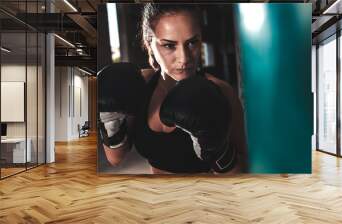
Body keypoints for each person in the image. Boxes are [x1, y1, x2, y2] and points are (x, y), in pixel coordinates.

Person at [98, 3, 248, 174]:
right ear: (149, 45)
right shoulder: (141, 84)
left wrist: (219, 150)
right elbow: (115, 158)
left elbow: (240, 171)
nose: (184, 58)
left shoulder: (221, 91)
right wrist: (110, 121)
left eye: (192, 42)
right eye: (169, 45)